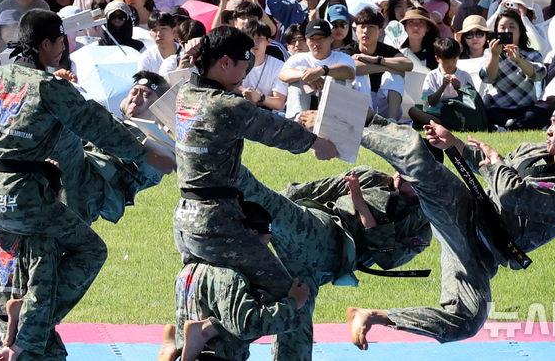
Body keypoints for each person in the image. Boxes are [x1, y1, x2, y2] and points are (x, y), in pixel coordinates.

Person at [0, 9, 156, 361]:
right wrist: (141, 152)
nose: (65, 46)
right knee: (89, 250)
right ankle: (23, 327)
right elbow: (96, 125)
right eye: (62, 40)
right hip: (23, 198)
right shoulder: (48, 87)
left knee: (16, 256)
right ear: (46, 44)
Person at [348, 97, 555, 349]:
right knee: (420, 163)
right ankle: (359, 124)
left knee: (467, 321)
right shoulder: (533, 151)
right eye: (550, 123)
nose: (549, 130)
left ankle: (373, 316)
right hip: (464, 211)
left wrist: (497, 161)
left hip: (480, 254)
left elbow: (512, 195)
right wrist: (452, 142)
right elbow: (488, 164)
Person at [175, 162, 433, 361]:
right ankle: (209, 163)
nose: (399, 176)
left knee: (294, 319)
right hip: (317, 225)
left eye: (410, 176)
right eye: (400, 168)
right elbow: (316, 189)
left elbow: (387, 259)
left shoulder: (423, 225)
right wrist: (267, 212)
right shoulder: (371, 178)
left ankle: (209, 332)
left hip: (336, 248)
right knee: (266, 200)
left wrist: (363, 210)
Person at [172, 26, 337, 329]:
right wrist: (316, 143)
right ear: (224, 62)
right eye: (242, 67)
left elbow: (195, 76)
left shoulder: (186, 93)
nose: (244, 77)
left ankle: (202, 334)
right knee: (290, 296)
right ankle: (209, 333)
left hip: (185, 221)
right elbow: (274, 130)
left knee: (215, 296)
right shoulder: (226, 105)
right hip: (216, 223)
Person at [166, 201, 310, 361]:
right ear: (253, 236)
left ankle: (174, 346)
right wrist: (293, 303)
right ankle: (206, 329)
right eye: (265, 245)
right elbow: (246, 325)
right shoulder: (229, 276)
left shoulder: (188, 269)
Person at [339, 7, 414, 121]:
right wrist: (386, 67)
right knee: (359, 75)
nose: (365, 31)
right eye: (362, 27)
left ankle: (392, 122)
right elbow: (353, 68)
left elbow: (408, 64)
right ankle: (368, 119)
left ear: (379, 32)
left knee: (396, 76)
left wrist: (377, 60)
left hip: (384, 106)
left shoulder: (385, 50)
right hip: (359, 106)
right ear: (356, 30)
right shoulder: (348, 50)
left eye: (371, 27)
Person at [481, 10, 549, 130]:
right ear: (496, 31)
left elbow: (539, 75)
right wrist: (495, 55)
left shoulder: (532, 54)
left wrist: (519, 60)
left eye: (512, 27)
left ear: (520, 31)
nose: (507, 31)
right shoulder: (489, 53)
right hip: (497, 107)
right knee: (484, 110)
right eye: (502, 28)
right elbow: (487, 78)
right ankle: (514, 125)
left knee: (546, 109)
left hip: (525, 107)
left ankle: (509, 125)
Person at [279, 18, 356, 119]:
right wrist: (307, 75)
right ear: (306, 40)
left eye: (321, 38)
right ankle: (298, 121)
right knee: (296, 81)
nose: (316, 43)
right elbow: (283, 74)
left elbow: (349, 72)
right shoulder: (299, 58)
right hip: (307, 108)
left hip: (336, 117)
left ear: (331, 38)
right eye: (312, 39)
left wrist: (322, 71)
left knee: (334, 78)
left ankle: (330, 122)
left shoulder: (342, 57)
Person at [408, 38, 473, 126]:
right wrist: (442, 87)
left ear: (458, 57)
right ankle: (443, 124)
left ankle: (446, 124)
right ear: (437, 58)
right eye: (446, 62)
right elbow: (431, 102)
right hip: (436, 114)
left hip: (458, 114)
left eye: (453, 60)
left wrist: (459, 89)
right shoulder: (432, 75)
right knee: (413, 111)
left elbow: (472, 101)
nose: (450, 65)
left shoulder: (464, 75)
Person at [238, 20, 288, 112]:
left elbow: (279, 103)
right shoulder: (236, 62)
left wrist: (259, 98)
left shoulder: (279, 66)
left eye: (259, 39)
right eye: (250, 38)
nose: (254, 43)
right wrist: (245, 92)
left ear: (268, 41)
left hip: (269, 114)